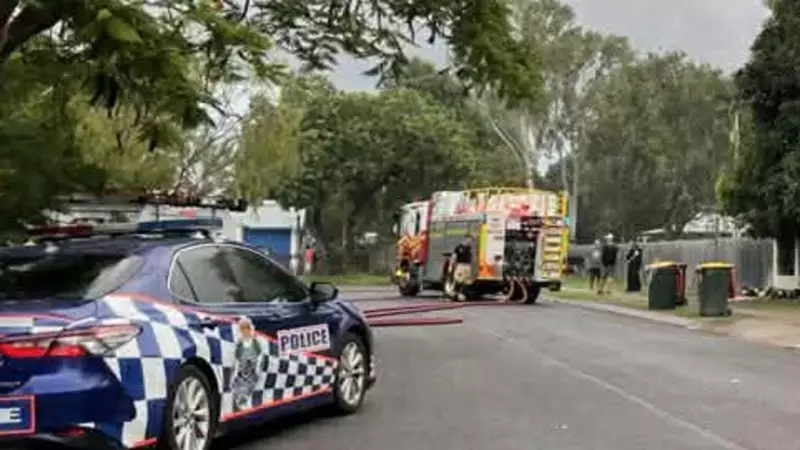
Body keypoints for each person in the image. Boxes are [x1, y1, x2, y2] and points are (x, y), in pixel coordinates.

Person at [448, 234, 474, 301]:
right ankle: (454, 295)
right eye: (470, 239)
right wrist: (450, 266)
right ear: (466, 239)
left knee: (467, 282)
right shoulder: (459, 247)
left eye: (471, 240)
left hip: (467, 266)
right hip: (460, 266)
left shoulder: (469, 248)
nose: (470, 241)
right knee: (459, 280)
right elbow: (453, 257)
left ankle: (463, 295)